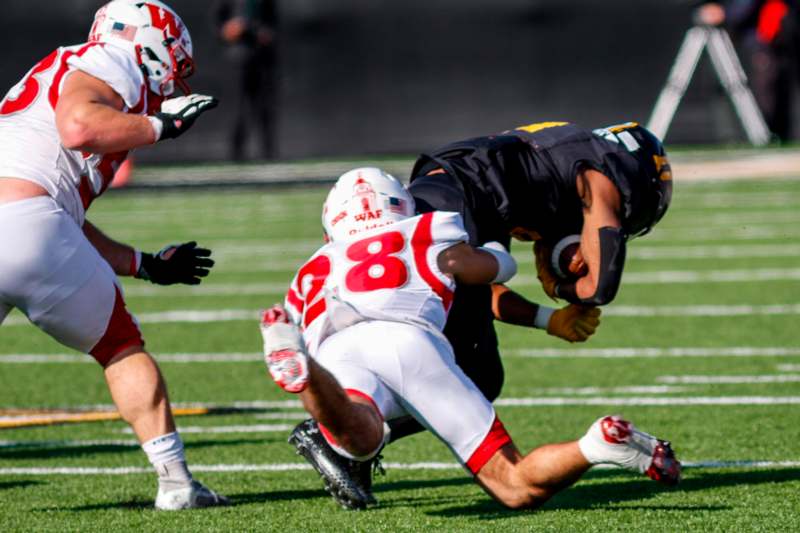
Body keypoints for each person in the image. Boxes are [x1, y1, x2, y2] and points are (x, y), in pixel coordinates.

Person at [290, 121, 673, 507]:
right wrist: (558, 288)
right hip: (455, 214)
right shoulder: (600, 170)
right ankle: (337, 438)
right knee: (479, 381)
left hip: (432, 206)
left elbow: (470, 288)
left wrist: (547, 317)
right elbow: (598, 287)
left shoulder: (534, 166)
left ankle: (346, 431)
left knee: (479, 372)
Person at [0, 1, 226, 510]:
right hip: (27, 224)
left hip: (25, 219)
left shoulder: (58, 74)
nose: (171, 79)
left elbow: (57, 220)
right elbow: (78, 129)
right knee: (120, 346)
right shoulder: (112, 60)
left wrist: (145, 263)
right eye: (171, 56)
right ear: (147, 40)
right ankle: (176, 485)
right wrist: (159, 127)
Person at [697, 1, 799, 141]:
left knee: (771, 95)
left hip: (767, 44)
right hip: (752, 43)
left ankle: (771, 136)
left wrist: (725, 13)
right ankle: (764, 136)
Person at [214, 0, 278, 160]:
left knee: (264, 106)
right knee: (238, 108)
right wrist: (230, 29)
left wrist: (262, 33)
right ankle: (236, 152)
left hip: (262, 58)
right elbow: (220, 25)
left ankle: (267, 151)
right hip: (239, 58)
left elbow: (272, 25)